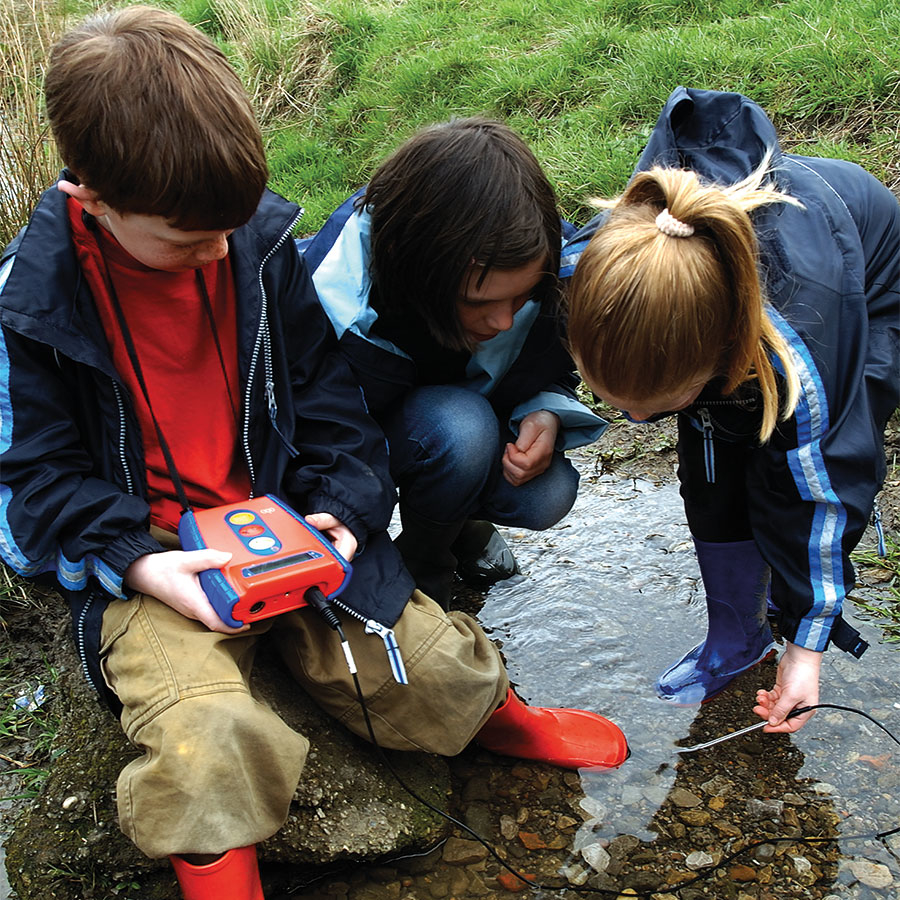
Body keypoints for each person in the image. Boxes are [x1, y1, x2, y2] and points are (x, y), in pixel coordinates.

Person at [0, 9, 628, 900]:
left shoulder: (250, 246)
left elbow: (330, 400)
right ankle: (224, 876)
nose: (218, 252)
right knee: (204, 737)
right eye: (186, 244)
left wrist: (343, 506)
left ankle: (500, 720)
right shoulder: (30, 303)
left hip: (286, 525)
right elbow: (37, 481)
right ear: (91, 201)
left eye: (230, 229)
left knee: (436, 663)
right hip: (159, 552)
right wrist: (141, 565)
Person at [563, 87, 898, 734]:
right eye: (615, 404)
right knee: (710, 456)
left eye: (655, 406)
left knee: (787, 474)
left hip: (872, 284)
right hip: (743, 307)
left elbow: (829, 492)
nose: (633, 423)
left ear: (723, 353)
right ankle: (736, 635)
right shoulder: (620, 259)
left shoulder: (804, 352)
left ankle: (780, 625)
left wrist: (807, 648)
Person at [301, 118, 607, 608]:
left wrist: (545, 411)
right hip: (361, 446)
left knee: (546, 492)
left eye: (521, 297)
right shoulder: (327, 297)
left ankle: (439, 537)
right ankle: (420, 560)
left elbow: (547, 363)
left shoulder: (541, 267)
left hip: (447, 432)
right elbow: (307, 428)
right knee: (460, 430)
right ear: (414, 268)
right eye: (476, 301)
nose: (504, 321)